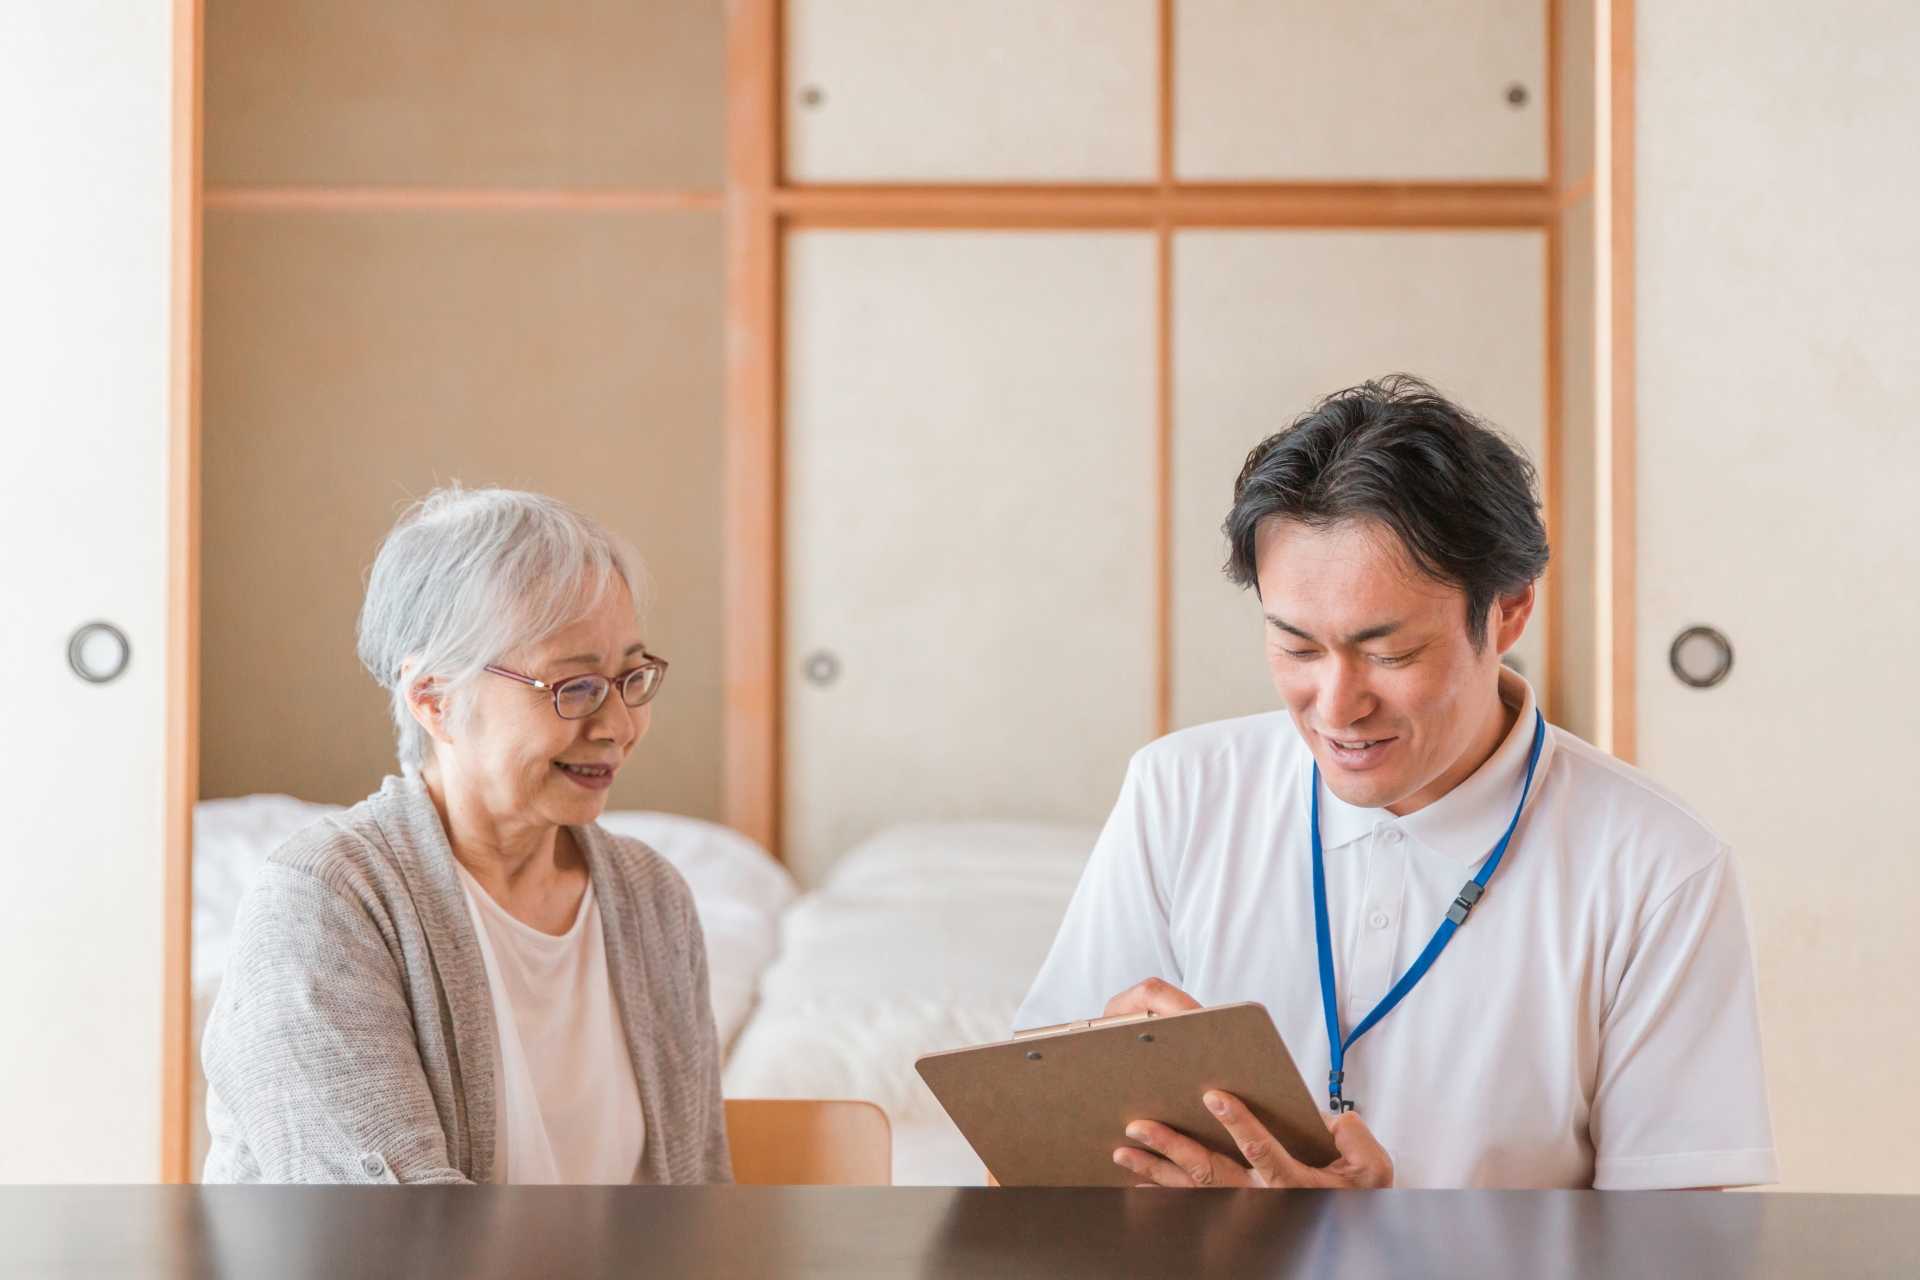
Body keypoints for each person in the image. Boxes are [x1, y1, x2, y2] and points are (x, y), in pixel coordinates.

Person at [1016, 376, 1777, 1190]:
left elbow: (1677, 1254)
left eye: (1389, 653)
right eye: (1297, 649)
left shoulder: (1660, 869)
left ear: (1509, 611)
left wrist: (1377, 1240)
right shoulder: (1181, 791)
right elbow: (1027, 1162)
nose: (1337, 707)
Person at [201, 487, 730, 1184]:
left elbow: (698, 1203)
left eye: (631, 677)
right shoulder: (325, 904)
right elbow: (383, 1241)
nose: (618, 725)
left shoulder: (652, 898)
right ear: (434, 699)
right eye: (574, 687)